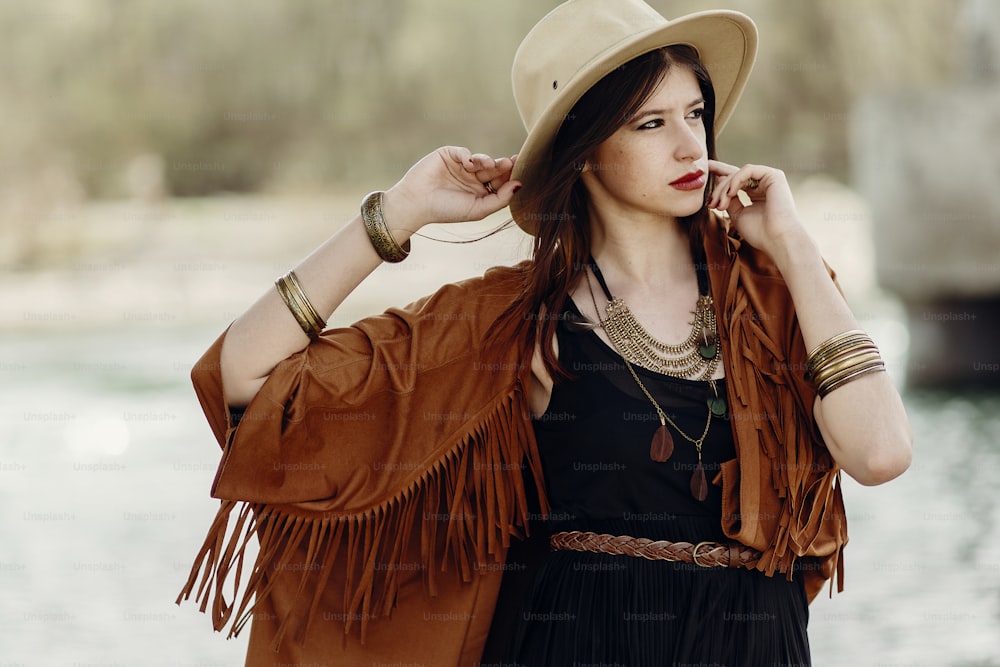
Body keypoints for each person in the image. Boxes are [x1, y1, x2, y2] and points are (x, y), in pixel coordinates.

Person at [177, 1, 913, 664]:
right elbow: (245, 375)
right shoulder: (513, 324)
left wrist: (790, 245)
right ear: (585, 147)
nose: (691, 147)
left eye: (695, 113)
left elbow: (880, 453)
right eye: (651, 124)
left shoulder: (775, 294)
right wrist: (397, 214)